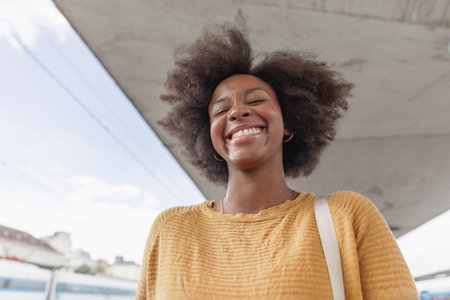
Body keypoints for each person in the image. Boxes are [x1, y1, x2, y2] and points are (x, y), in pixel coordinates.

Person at [136, 14, 419, 300]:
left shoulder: (347, 216)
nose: (236, 112)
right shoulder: (170, 229)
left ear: (289, 124)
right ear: (207, 136)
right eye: (221, 110)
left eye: (256, 100)